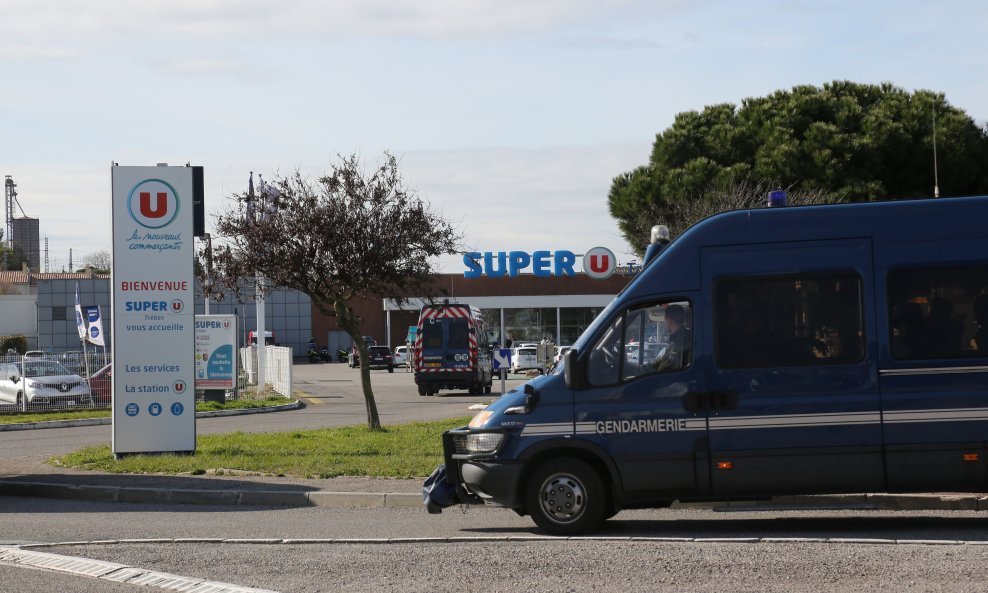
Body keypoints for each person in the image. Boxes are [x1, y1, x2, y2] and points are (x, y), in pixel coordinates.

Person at [656, 304, 691, 371]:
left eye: (665, 319)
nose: (664, 322)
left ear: (669, 320)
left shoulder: (678, 343)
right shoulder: (685, 338)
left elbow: (664, 368)